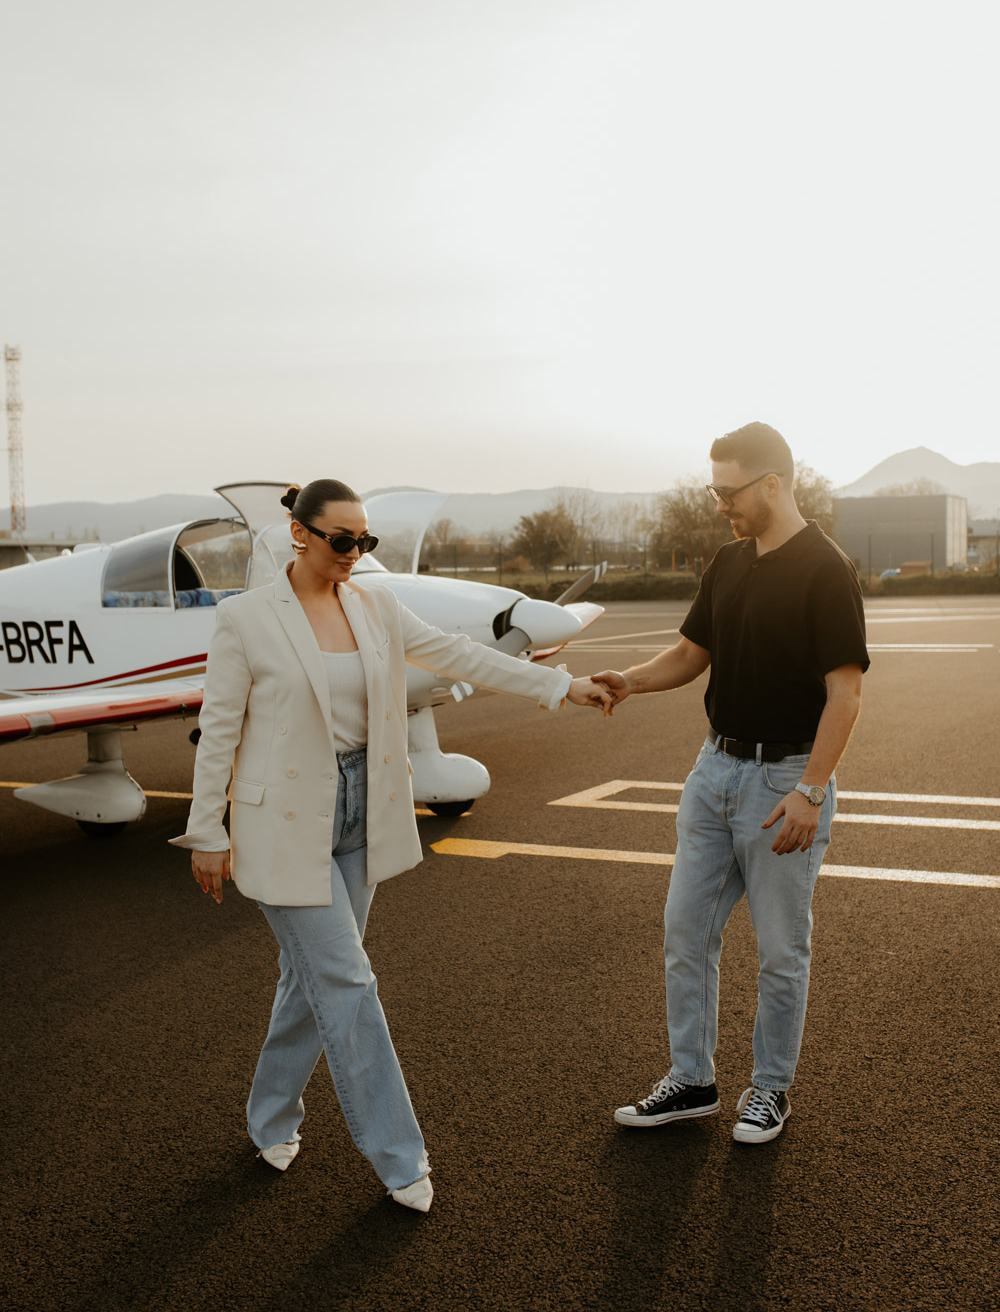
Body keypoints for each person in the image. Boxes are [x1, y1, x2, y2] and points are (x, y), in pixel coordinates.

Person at [171, 479, 612, 1211]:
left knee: (306, 983)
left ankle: (270, 1116)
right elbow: (218, 730)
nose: (355, 552)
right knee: (347, 983)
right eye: (342, 539)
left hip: (359, 811)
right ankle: (400, 1156)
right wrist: (206, 830)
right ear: (299, 534)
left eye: (364, 540)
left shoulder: (375, 604)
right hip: (281, 821)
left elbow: (460, 655)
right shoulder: (245, 619)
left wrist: (560, 687)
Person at [594, 423, 869, 1143]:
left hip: (784, 779)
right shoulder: (726, 561)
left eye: (728, 491)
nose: (720, 505)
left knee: (782, 951)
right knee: (686, 931)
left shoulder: (825, 568)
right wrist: (631, 679)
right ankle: (692, 1079)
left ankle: (770, 1089)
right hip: (713, 772)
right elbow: (691, 653)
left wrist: (811, 789)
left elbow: (846, 693)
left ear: (772, 484)